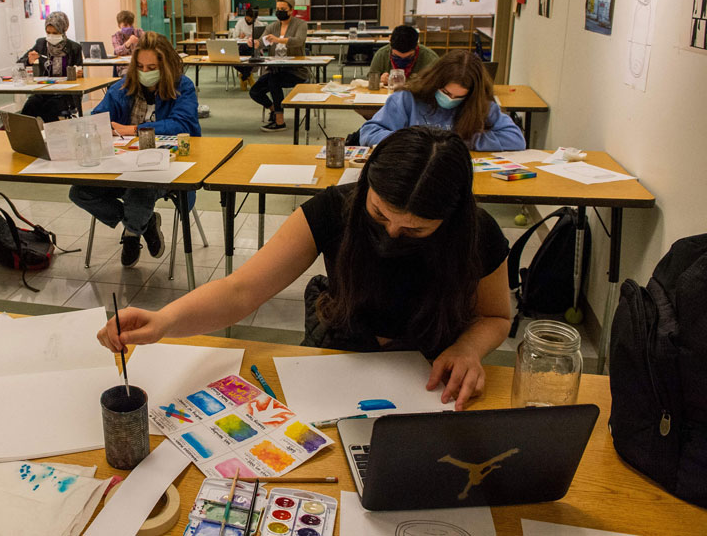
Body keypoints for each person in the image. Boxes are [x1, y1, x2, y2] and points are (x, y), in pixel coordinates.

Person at [97, 127, 511, 410]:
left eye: (415, 229)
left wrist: (469, 348)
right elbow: (242, 290)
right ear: (366, 184)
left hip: (434, 367)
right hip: (343, 353)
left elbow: (495, 316)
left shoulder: (477, 233)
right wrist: (164, 319)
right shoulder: (335, 208)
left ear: (452, 217)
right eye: (380, 215)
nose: (393, 234)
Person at [69, 32, 201, 268]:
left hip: (168, 167)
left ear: (166, 65)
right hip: (122, 164)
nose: (145, 71)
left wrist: (133, 129)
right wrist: (99, 126)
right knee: (79, 192)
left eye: (152, 66)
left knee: (140, 188)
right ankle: (145, 222)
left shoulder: (183, 87)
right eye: (140, 66)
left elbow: (183, 125)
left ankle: (131, 235)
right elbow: (98, 117)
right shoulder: (122, 87)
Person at [357, 50, 525, 151]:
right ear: (434, 82)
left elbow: (515, 139)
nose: (450, 100)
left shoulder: (480, 105)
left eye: (458, 97)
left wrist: (462, 141)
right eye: (445, 92)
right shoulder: (408, 99)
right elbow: (369, 132)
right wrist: (411, 142)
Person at [248, 0, 308, 132]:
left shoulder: (301, 24)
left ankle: (280, 122)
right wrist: (254, 43)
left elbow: (298, 41)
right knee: (255, 91)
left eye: (283, 10)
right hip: (275, 69)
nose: (279, 12)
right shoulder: (272, 26)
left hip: (295, 71)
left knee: (274, 80)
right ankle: (274, 109)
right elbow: (262, 42)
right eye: (278, 9)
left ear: (291, 10)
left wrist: (278, 40)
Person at [18, 11, 83, 122]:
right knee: (29, 108)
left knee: (49, 110)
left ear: (63, 31)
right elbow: (20, 63)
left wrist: (77, 74)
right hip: (44, 91)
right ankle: (25, 137)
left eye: (55, 33)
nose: (51, 36)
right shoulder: (41, 44)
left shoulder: (74, 48)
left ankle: (54, 136)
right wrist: (29, 60)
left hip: (64, 94)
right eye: (48, 32)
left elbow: (80, 72)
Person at [369, 24, 440, 86]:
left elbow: (438, 84)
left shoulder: (430, 58)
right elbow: (370, 79)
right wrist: (379, 80)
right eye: (396, 57)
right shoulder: (382, 54)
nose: (401, 61)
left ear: (416, 47)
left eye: (408, 57)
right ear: (391, 46)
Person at [231, 8, 260, 90]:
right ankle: (248, 75)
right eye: (248, 18)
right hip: (241, 47)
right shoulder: (240, 22)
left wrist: (254, 38)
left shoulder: (258, 23)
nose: (249, 20)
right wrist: (240, 36)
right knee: (233, 59)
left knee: (255, 56)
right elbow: (234, 36)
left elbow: (261, 37)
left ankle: (243, 76)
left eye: (251, 19)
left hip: (253, 47)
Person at [110, 10, 144, 77]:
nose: (128, 27)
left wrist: (141, 41)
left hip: (139, 65)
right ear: (119, 25)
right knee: (129, 77)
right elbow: (117, 51)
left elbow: (149, 41)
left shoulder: (139, 32)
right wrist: (129, 42)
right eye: (125, 25)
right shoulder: (116, 36)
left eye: (130, 24)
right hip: (124, 68)